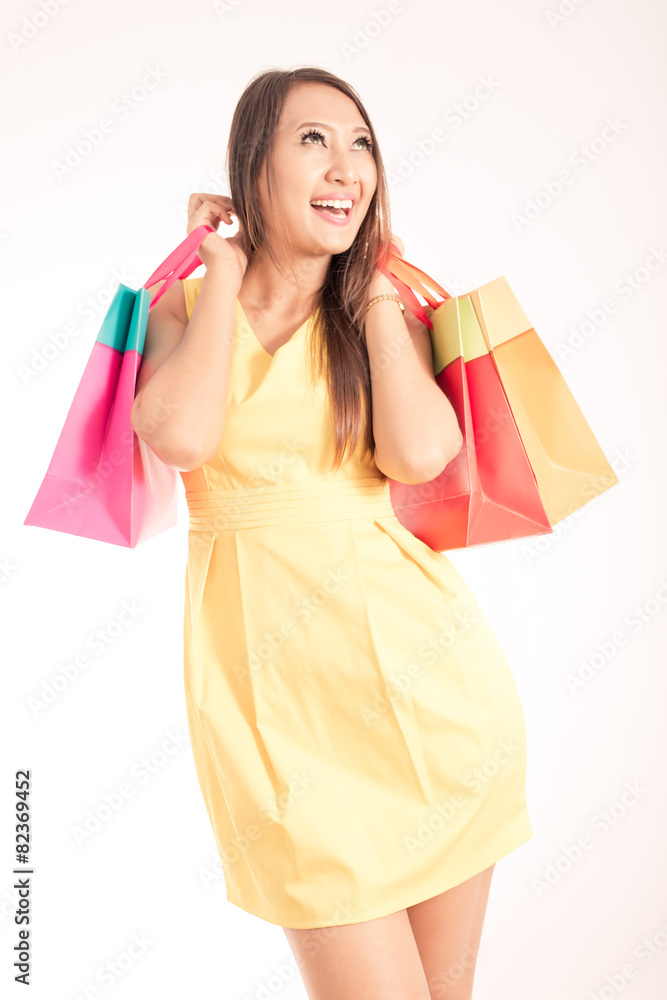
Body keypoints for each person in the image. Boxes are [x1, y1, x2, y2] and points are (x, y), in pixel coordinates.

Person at [130, 66, 533, 1000]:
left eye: (360, 145)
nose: (345, 165)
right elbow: (183, 435)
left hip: (433, 700)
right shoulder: (183, 310)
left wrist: (377, 295)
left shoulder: (372, 315)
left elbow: (422, 454)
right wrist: (222, 270)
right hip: (275, 722)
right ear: (251, 163)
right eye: (313, 139)